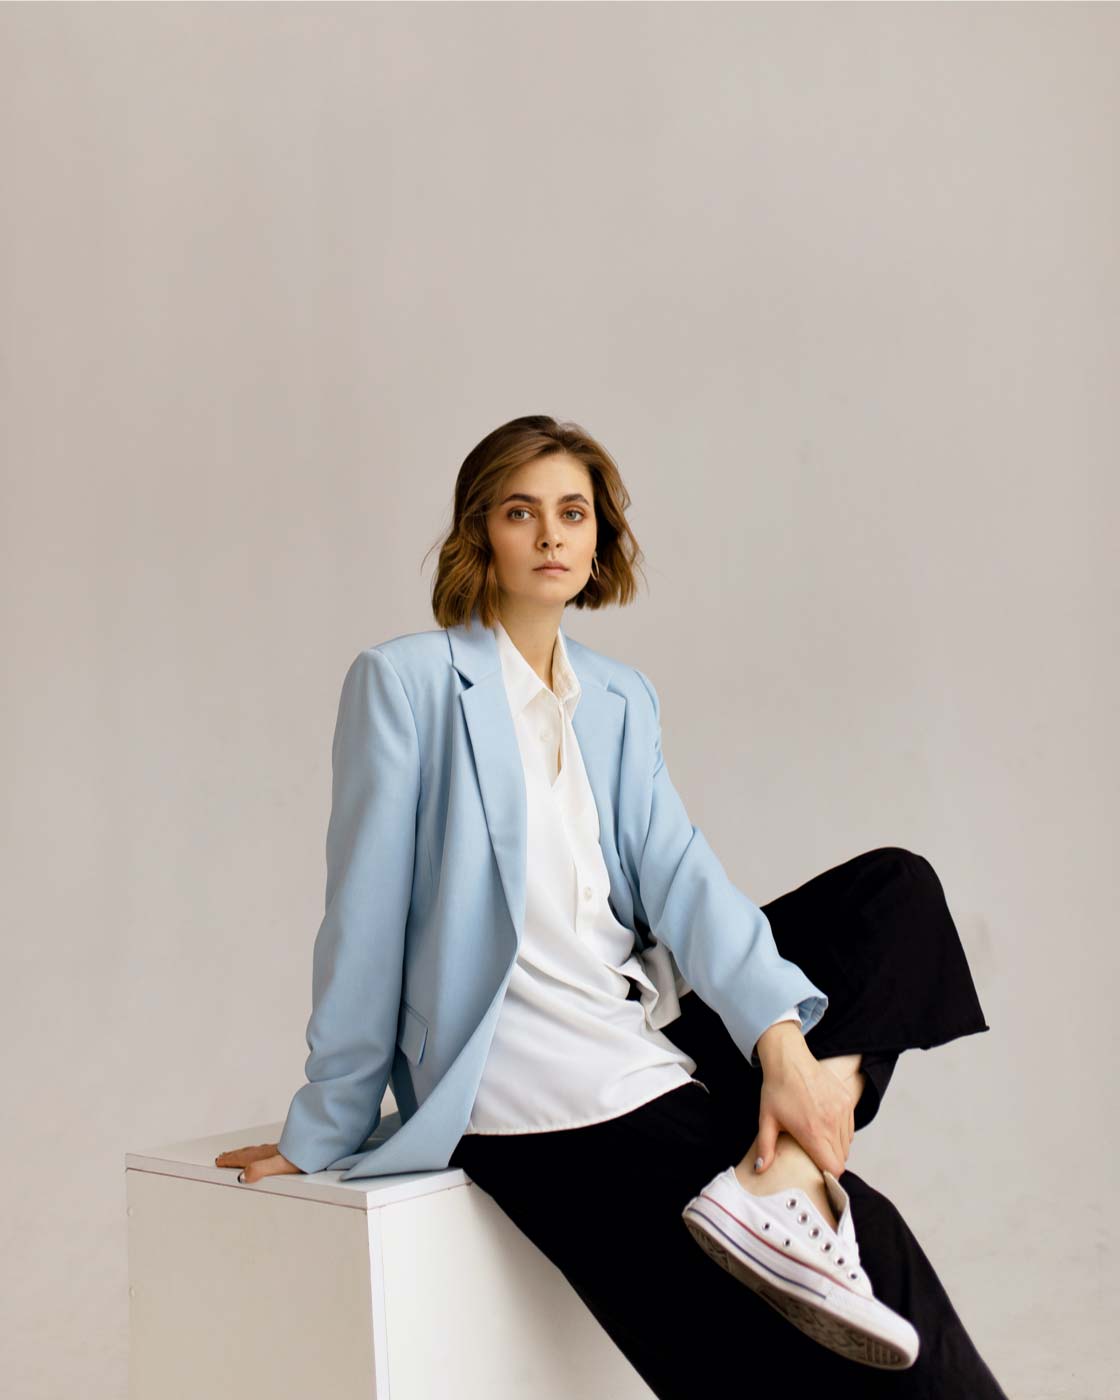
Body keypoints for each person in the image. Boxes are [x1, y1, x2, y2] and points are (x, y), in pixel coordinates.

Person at [216, 415, 1009, 1398]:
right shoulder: (408, 685)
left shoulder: (617, 694)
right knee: (869, 1241)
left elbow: (682, 878)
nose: (550, 533)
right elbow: (362, 922)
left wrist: (780, 1046)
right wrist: (324, 1125)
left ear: (597, 540)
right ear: (481, 534)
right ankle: (786, 1173)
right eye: (521, 511)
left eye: (571, 511)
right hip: (533, 1089)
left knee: (895, 894)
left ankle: (792, 1140)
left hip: (645, 1035)